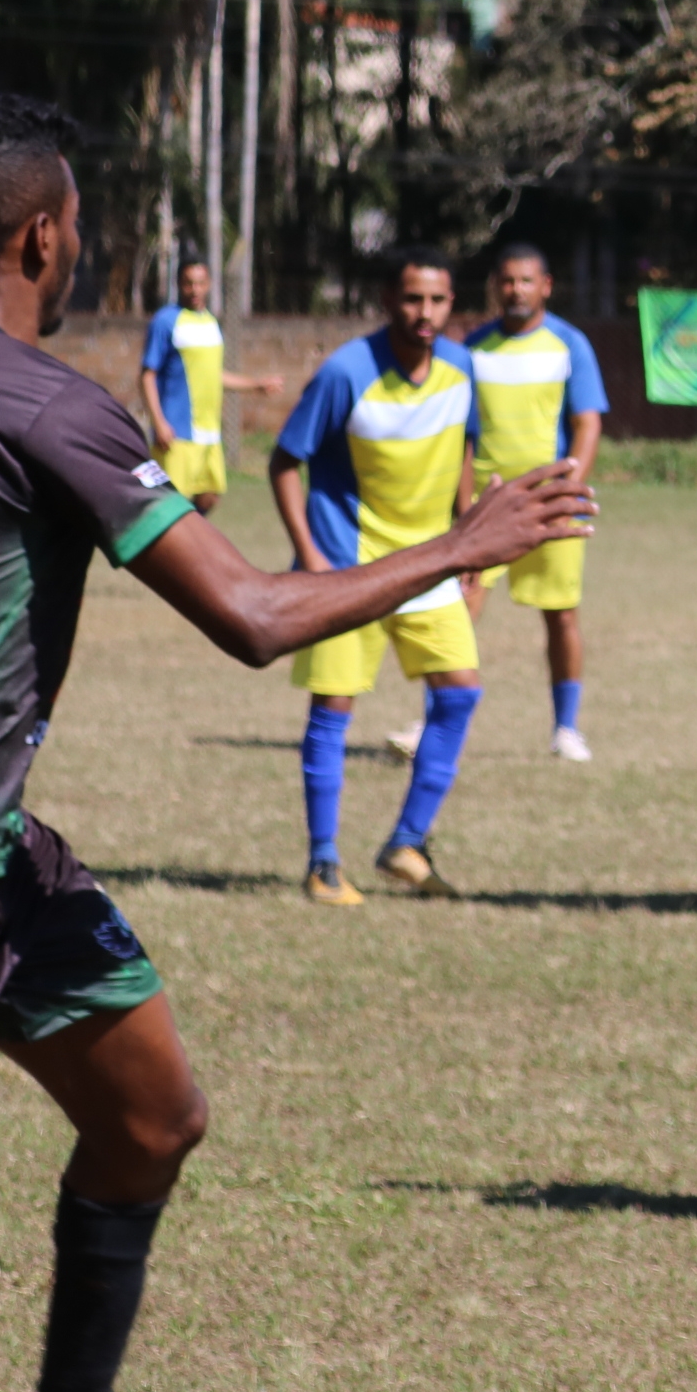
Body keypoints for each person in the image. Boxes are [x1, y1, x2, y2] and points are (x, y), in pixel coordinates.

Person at [0, 93, 590, 1392]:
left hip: (7, 860)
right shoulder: (53, 409)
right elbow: (255, 617)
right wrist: (464, 544)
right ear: (41, 240)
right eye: (80, 221)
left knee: (152, 1117)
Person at [271, 248, 496, 905]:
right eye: (412, 298)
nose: (425, 313)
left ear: (452, 304)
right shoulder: (347, 371)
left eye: (438, 300)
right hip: (350, 567)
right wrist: (311, 556)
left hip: (429, 565)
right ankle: (322, 863)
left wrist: (467, 539)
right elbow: (284, 462)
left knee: (460, 693)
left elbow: (465, 445)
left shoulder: (461, 368)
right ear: (387, 300)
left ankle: (407, 844)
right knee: (334, 708)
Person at [457, 243, 608, 761]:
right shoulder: (473, 349)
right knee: (459, 610)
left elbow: (587, 425)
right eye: (507, 281)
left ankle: (566, 729)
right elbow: (463, 437)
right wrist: (463, 506)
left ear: (545, 286)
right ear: (494, 287)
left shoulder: (570, 345)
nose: (515, 290)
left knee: (560, 616)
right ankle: (437, 719)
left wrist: (566, 490)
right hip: (487, 507)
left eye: (526, 281)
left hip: (551, 506)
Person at [133, 260, 277, 516]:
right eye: (189, 283)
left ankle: (182, 535)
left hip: (209, 432)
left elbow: (212, 375)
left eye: (200, 283)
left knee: (209, 496)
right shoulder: (166, 321)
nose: (195, 290)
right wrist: (158, 422)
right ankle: (164, 539)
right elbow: (147, 376)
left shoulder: (211, 323)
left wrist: (255, 385)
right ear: (179, 284)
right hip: (177, 431)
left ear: (209, 284)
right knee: (169, 502)